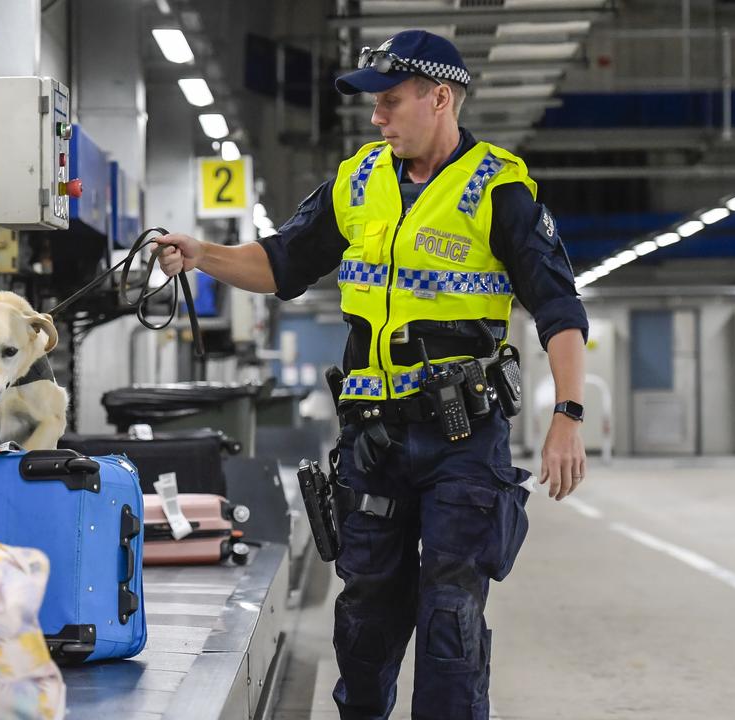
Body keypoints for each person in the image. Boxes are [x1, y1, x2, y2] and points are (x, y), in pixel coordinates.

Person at [154, 29, 588, 720]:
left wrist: (568, 416)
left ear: (439, 97)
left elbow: (560, 307)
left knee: (450, 618)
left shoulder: (498, 187)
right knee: (363, 621)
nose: (377, 119)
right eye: (373, 107)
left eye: (390, 102)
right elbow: (282, 262)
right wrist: (202, 253)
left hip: (463, 442)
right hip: (373, 443)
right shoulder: (358, 181)